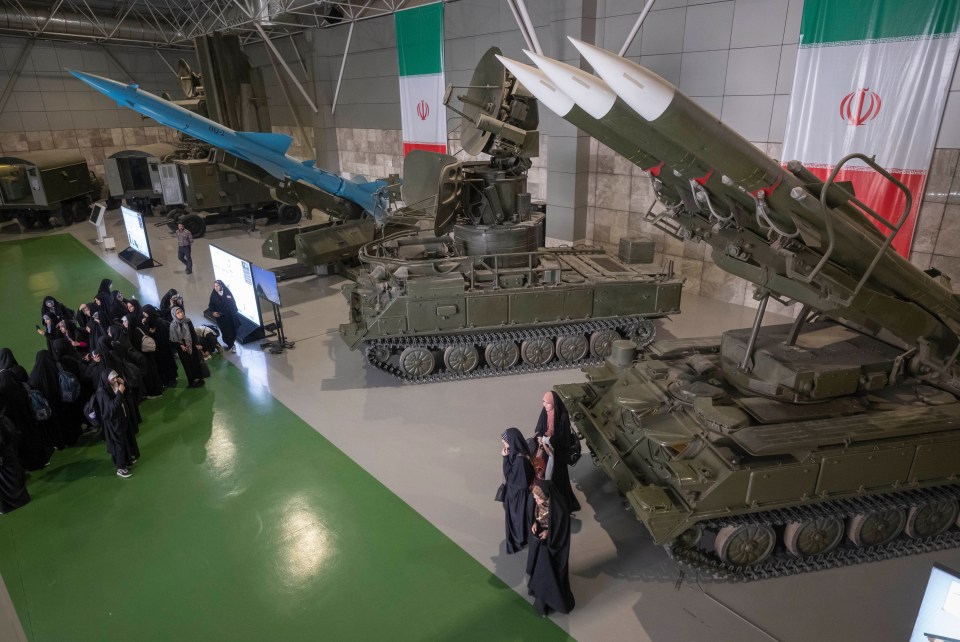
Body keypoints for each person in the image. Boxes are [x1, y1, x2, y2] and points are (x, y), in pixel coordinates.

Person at [525, 480, 575, 617]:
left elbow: (561, 529)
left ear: (547, 497)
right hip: (539, 543)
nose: (536, 500)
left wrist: (548, 532)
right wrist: (534, 522)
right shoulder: (535, 501)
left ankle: (547, 600)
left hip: (551, 547)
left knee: (547, 574)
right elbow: (532, 513)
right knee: (542, 573)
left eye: (539, 498)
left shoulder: (560, 509)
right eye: (535, 497)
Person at [532, 391, 581, 513]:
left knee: (556, 477)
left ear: (554, 403)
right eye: (544, 402)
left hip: (557, 454)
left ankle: (558, 503)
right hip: (545, 450)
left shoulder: (562, 416)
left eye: (548, 403)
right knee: (544, 474)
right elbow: (539, 428)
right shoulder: (545, 412)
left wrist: (549, 440)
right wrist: (539, 436)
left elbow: (563, 437)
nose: (545, 405)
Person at [91, 370, 140, 478]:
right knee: (119, 444)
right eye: (112, 378)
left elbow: (126, 394)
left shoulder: (113, 385)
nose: (115, 380)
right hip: (114, 423)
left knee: (125, 439)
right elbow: (111, 409)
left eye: (115, 377)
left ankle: (127, 460)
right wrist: (119, 392)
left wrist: (123, 383)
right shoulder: (102, 392)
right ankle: (120, 468)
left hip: (122, 419)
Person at [501, 427, 534, 554]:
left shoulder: (519, 460)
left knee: (517, 520)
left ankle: (519, 539)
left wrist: (505, 459)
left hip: (518, 498)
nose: (504, 444)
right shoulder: (521, 454)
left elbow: (511, 478)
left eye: (505, 441)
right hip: (521, 496)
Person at [0, 414, 29, 514]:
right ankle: (21, 499)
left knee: (6, 478)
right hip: (9, 449)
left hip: (4, 452)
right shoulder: (4, 419)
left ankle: (11, 504)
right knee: (13, 474)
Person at [169, 307, 205, 387]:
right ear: (174, 315)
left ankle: (200, 378)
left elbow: (193, 333)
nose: (181, 314)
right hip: (182, 349)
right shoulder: (173, 325)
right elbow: (173, 340)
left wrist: (197, 344)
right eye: (178, 313)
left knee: (195, 362)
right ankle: (191, 381)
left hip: (191, 345)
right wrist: (181, 346)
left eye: (181, 311)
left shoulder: (188, 321)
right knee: (187, 365)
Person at [208, 279, 240, 352]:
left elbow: (232, 303)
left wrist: (225, 311)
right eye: (215, 286)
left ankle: (231, 343)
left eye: (217, 285)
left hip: (229, 317)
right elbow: (210, 305)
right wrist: (213, 312)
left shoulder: (227, 293)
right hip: (221, 318)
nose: (216, 287)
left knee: (232, 331)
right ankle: (231, 345)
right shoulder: (213, 295)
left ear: (221, 286)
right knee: (225, 331)